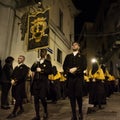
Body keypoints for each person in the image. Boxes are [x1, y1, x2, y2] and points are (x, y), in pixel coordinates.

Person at [63, 42, 87, 120]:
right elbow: (64, 66)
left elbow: (84, 66)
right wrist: (69, 70)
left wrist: (76, 69)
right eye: (73, 45)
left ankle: (80, 112)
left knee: (79, 96)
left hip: (79, 78)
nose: (74, 45)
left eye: (76, 44)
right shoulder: (68, 56)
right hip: (70, 79)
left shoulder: (82, 56)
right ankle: (74, 114)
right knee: (72, 97)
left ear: (79, 47)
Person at [31, 49, 52, 120]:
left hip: (43, 83)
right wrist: (35, 62)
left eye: (43, 52)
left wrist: (42, 70)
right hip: (36, 82)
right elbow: (32, 69)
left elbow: (50, 71)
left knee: (42, 98)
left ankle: (45, 111)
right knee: (36, 99)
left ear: (45, 53)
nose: (41, 53)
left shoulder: (48, 62)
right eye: (41, 52)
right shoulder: (37, 61)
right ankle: (37, 115)